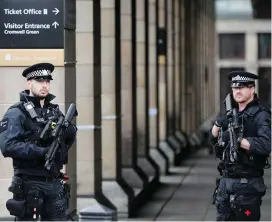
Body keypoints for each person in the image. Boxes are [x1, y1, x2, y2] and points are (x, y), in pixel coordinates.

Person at [0, 63, 77, 221]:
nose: (45, 85)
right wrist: (42, 152)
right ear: (29, 83)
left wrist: (70, 133)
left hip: (54, 183)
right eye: (40, 81)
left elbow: (66, 141)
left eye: (47, 81)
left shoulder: (54, 112)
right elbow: (8, 146)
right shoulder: (16, 113)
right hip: (30, 184)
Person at [210, 71, 271, 221]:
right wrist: (219, 124)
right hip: (226, 183)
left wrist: (238, 139)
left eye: (242, 87)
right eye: (235, 88)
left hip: (247, 184)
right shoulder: (232, 115)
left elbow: (266, 144)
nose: (237, 91)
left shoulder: (261, 115)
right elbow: (214, 141)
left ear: (252, 89)